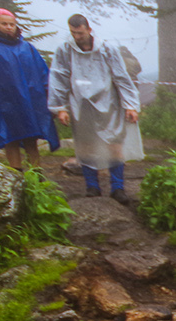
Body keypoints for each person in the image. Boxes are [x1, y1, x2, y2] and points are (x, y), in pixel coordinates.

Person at [47, 14, 142, 203]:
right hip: (81, 104)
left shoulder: (107, 49)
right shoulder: (65, 50)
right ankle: (92, 187)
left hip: (109, 103)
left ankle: (117, 188)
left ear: (89, 30)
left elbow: (121, 77)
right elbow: (59, 77)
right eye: (73, 33)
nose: (77, 37)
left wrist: (130, 104)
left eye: (80, 33)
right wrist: (60, 108)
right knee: (85, 146)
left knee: (114, 144)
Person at [0, 9, 60, 172]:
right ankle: (16, 174)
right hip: (3, 101)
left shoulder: (27, 47)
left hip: (30, 101)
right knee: (10, 137)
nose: (8, 27)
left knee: (31, 137)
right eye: (4, 24)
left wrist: (51, 100)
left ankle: (37, 177)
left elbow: (43, 75)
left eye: (12, 24)